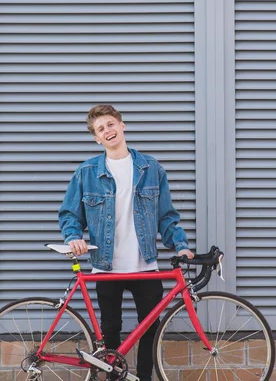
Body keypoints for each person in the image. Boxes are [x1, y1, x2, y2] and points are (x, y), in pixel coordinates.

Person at [58, 104, 194, 381]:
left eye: (110, 124)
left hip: (145, 264)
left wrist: (180, 244)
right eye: (100, 129)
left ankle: (144, 378)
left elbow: (166, 216)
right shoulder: (86, 172)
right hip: (107, 268)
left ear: (122, 126)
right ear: (96, 138)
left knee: (149, 331)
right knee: (110, 333)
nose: (107, 131)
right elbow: (70, 214)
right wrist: (74, 238)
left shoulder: (151, 168)